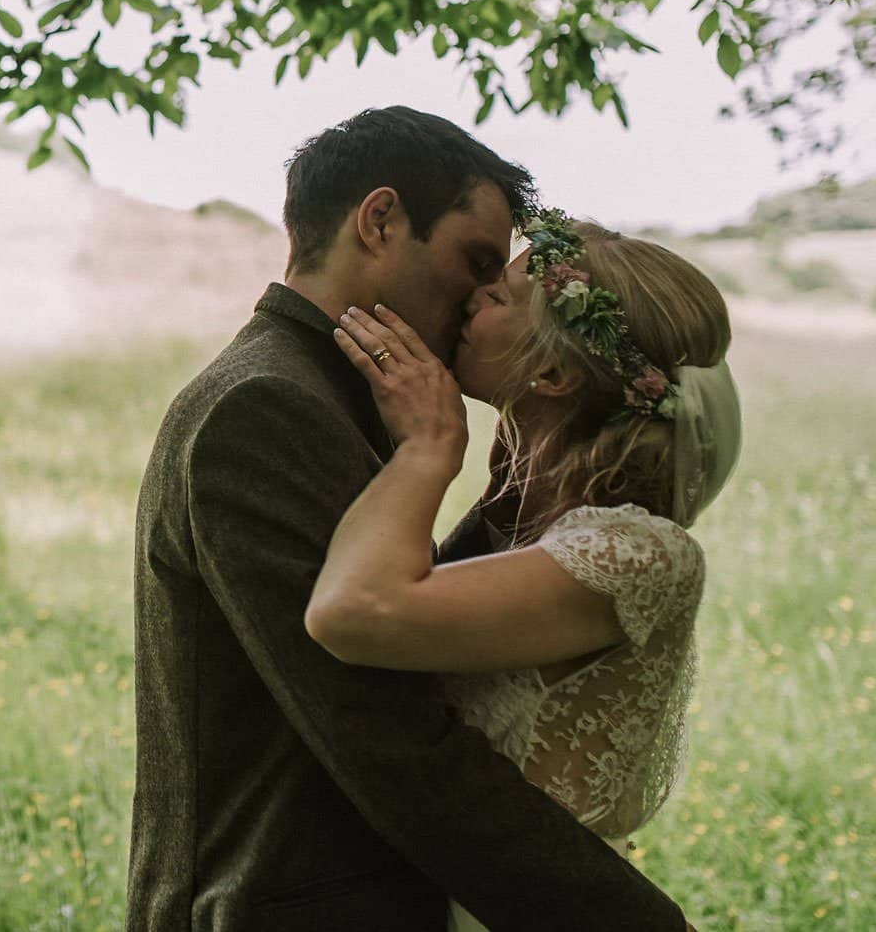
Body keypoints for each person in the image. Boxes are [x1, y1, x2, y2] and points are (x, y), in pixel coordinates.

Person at [129, 107, 694, 931]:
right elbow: (390, 736)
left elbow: (427, 645)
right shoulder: (268, 406)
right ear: (380, 220)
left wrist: (504, 489)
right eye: (474, 260)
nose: (479, 297)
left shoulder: (344, 392)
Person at [308, 211, 739, 932]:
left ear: (552, 373)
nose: (474, 295)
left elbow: (350, 611)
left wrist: (430, 447)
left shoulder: (642, 555)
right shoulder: (525, 515)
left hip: (534, 907)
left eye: (500, 297)